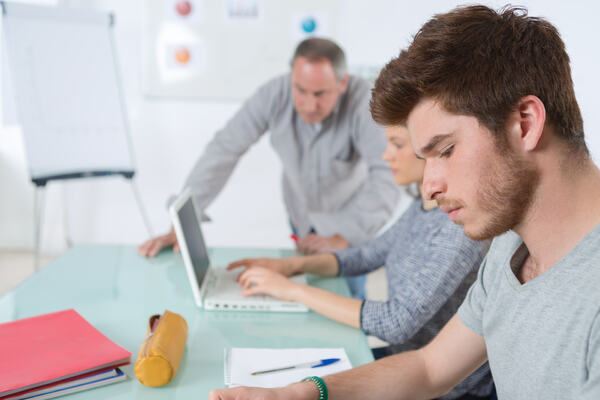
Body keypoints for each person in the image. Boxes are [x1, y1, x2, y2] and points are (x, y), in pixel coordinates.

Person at [208, 4, 600, 400]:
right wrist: (295, 394)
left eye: (445, 150)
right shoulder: (510, 247)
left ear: (525, 124)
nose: (427, 187)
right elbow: (429, 368)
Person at [226, 124, 493, 399]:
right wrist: (292, 266)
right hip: (402, 363)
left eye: (397, 144)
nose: (385, 156)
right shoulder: (422, 208)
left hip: (451, 392)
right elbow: (367, 256)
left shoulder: (457, 229)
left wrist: (292, 291)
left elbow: (395, 322)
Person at [138, 38, 399, 299]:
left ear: (342, 83)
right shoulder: (273, 94)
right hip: (302, 218)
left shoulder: (364, 102)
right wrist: (184, 220)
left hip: (351, 223)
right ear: (291, 78)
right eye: (300, 90)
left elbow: (387, 173)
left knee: (348, 300)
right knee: (305, 297)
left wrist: (346, 235)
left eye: (320, 94)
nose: (309, 105)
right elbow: (224, 149)